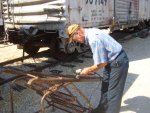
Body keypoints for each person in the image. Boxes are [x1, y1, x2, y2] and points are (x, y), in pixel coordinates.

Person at [66, 24, 129, 113]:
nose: (78, 42)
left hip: (118, 62)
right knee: (105, 88)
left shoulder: (93, 39)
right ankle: (101, 110)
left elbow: (101, 63)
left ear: (79, 33)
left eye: (76, 39)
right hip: (110, 61)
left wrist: (87, 70)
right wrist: (91, 69)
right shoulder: (91, 31)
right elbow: (103, 62)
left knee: (113, 94)